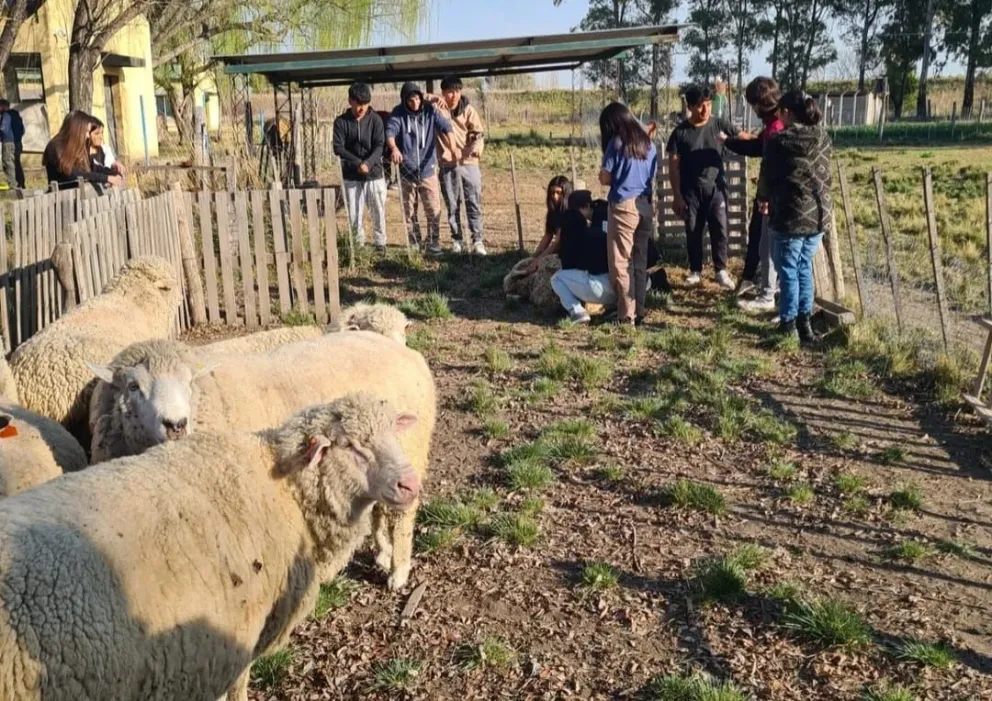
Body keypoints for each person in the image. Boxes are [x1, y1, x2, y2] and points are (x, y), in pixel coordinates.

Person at [762, 89, 833, 343]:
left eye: (780, 112)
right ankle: (805, 324)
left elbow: (769, 177)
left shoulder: (779, 142)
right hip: (818, 214)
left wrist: (765, 199)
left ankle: (788, 323)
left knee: (789, 269)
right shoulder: (822, 137)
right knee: (804, 268)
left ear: (787, 113)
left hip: (790, 214)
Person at [667, 85, 740, 290]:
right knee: (692, 230)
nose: (705, 110)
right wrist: (676, 195)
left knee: (720, 228)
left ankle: (721, 270)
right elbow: (673, 166)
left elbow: (742, 136)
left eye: (708, 105)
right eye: (700, 106)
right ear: (690, 106)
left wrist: (763, 141)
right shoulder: (680, 133)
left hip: (716, 188)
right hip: (691, 190)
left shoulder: (719, 124)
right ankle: (695, 270)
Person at [723, 76, 784, 312]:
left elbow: (766, 157)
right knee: (760, 239)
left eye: (752, 104)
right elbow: (759, 147)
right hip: (768, 193)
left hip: (773, 196)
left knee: (768, 242)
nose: (752, 109)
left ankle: (769, 292)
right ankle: (758, 283)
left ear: (761, 102)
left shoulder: (777, 127)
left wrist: (766, 197)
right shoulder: (773, 123)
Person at [599, 102, 657, 327]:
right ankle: (639, 311)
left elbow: (606, 177)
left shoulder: (617, 143)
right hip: (645, 204)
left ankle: (625, 316)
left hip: (624, 206)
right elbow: (651, 173)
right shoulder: (648, 144)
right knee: (639, 262)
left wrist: (606, 175)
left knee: (621, 263)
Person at [385, 81, 451, 256]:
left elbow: (446, 127)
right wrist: (394, 148)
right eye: (410, 100)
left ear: (421, 98)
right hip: (407, 170)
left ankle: (433, 242)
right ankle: (414, 241)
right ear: (404, 101)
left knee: (433, 208)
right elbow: (390, 132)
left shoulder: (430, 112)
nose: (414, 103)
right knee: (408, 210)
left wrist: (451, 147)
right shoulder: (398, 114)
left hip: (428, 169)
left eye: (416, 98)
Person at [430, 76, 487, 256]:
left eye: (456, 91)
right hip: (447, 164)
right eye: (448, 92)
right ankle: (457, 239)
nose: (452, 96)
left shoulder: (468, 111)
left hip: (469, 162)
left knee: (473, 201)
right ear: (443, 93)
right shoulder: (438, 110)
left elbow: (479, 134)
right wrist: (433, 98)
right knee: (452, 203)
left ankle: (477, 240)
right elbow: (419, 97)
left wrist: (476, 149)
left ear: (460, 92)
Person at [333, 82, 387, 251]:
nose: (362, 108)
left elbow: (380, 145)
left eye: (365, 103)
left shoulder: (376, 120)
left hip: (374, 174)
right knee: (354, 212)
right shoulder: (341, 122)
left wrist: (368, 163)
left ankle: (380, 243)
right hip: (351, 174)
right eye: (359, 103)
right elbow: (338, 147)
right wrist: (358, 163)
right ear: (351, 101)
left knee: (378, 210)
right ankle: (358, 245)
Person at [550, 190, 617, 324]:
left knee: (557, 278)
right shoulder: (600, 232)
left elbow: (570, 266)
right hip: (622, 286)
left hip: (599, 288)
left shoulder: (573, 240)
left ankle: (577, 312)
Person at [42, 111, 122, 191]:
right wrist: (106, 178)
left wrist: (113, 173)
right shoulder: (55, 147)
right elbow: (73, 174)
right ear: (77, 130)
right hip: (62, 199)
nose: (88, 136)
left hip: (81, 197)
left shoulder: (76, 146)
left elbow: (92, 167)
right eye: (86, 131)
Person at [0, 99, 24, 190]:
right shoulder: (16, 115)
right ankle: (21, 183)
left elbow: (3, 129)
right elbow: (23, 130)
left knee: (8, 162)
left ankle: (13, 185)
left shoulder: (6, 115)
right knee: (17, 163)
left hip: (8, 143)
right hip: (18, 143)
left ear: (2, 106)